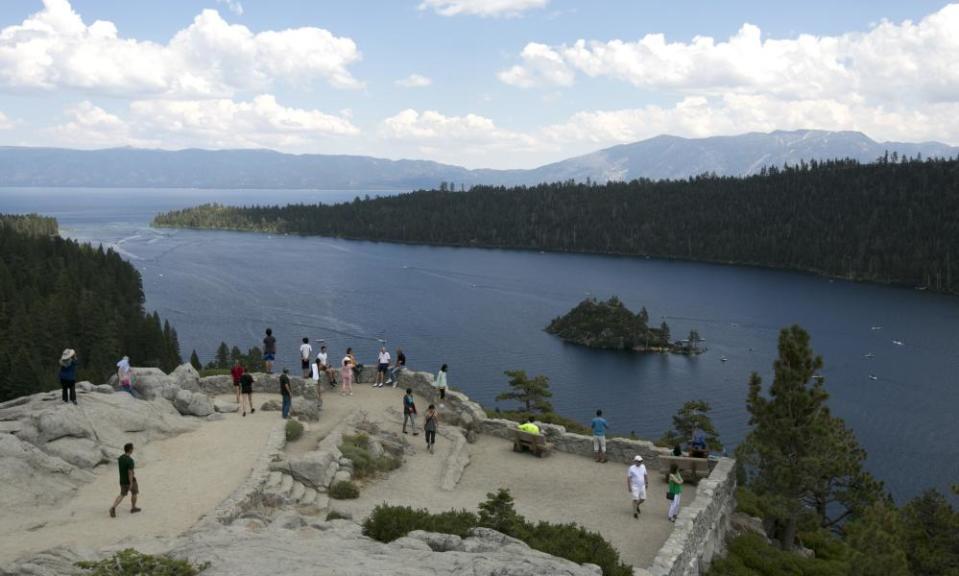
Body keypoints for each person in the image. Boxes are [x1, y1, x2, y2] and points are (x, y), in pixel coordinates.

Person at [109, 443, 141, 518]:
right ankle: (133, 508)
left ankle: (113, 507)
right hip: (130, 481)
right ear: (130, 450)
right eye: (132, 448)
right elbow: (130, 472)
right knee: (134, 493)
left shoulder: (120, 458)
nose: (133, 449)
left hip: (122, 480)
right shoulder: (130, 460)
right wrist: (131, 483)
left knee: (122, 494)